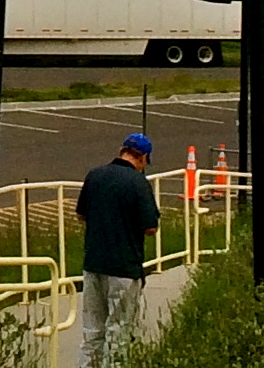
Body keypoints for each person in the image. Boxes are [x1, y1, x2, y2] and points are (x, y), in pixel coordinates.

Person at [74, 132, 160, 368]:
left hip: (93, 264)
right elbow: (150, 227)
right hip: (124, 267)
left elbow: (81, 214)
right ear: (142, 158)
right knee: (119, 330)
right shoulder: (137, 183)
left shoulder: (95, 175)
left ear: (122, 150)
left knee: (92, 329)